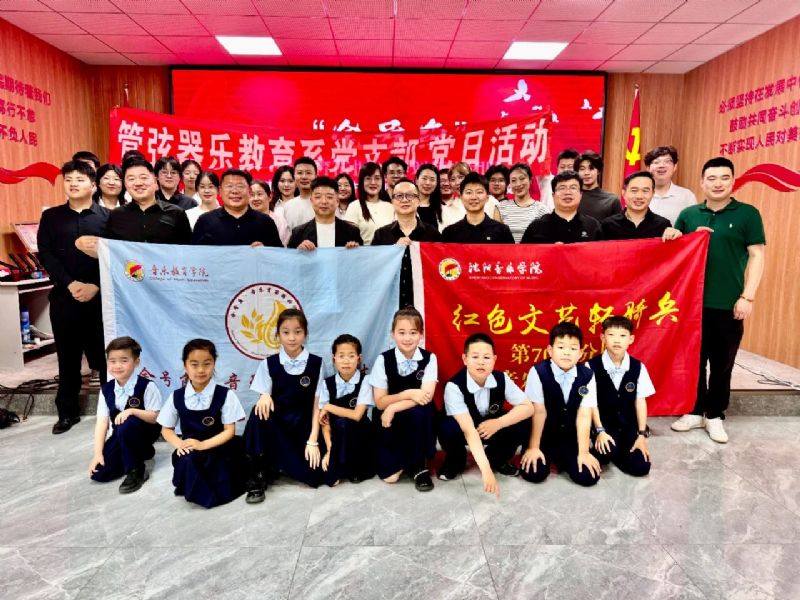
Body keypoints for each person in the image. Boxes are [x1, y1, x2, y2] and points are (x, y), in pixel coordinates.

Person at [671, 156, 766, 443]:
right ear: (702, 182)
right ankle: (694, 410)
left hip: (728, 303)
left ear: (733, 181)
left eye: (724, 178)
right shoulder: (689, 214)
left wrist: (748, 296)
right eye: (711, 178)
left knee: (723, 362)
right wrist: (674, 235)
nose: (717, 183)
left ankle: (715, 415)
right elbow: (675, 255)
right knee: (694, 361)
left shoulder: (748, 214)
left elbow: (757, 255)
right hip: (691, 304)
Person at [37, 160, 108, 435]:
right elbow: (46, 254)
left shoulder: (107, 217)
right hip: (65, 297)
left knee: (105, 359)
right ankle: (67, 413)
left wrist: (96, 286)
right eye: (68, 179)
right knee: (67, 358)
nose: (73, 184)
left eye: (80, 179)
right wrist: (70, 283)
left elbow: (115, 257)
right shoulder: (51, 217)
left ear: (93, 185)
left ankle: (113, 410)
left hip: (100, 299)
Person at [244, 309, 337, 503]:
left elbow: (318, 406)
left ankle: (280, 464)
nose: (292, 338)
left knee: (318, 476)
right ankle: (258, 473)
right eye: (285, 332)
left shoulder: (316, 363)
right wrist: (264, 395)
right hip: (279, 426)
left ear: (305, 334)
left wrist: (313, 441)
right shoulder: (268, 364)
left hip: (304, 426)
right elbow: (264, 397)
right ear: (278, 334)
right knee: (258, 412)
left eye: (298, 332)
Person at [438, 333, 534, 496]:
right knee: (447, 428)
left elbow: (528, 407)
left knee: (523, 421)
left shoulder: (501, 378)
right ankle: (456, 460)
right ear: (465, 359)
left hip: (490, 426)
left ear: (494, 359)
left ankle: (497, 459)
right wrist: (486, 471)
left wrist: (499, 423)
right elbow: (469, 430)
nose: (481, 362)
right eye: (475, 357)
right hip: (464, 428)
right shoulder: (454, 386)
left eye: (486, 357)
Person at [158, 339, 247, 508]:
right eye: (194, 364)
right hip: (190, 448)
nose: (200, 370)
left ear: (214, 364)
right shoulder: (176, 396)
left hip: (219, 447)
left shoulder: (225, 394)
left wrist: (203, 445)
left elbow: (229, 430)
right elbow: (166, 429)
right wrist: (180, 444)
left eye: (207, 364)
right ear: (185, 366)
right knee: (187, 460)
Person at [520, 322, 601, 487]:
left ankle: (567, 457)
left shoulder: (587, 375)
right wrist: (533, 447)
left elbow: (584, 415)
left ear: (580, 353)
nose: (566, 352)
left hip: (571, 436)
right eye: (561, 347)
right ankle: (544, 453)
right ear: (550, 350)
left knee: (588, 477)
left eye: (573, 348)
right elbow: (539, 412)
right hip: (544, 435)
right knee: (534, 473)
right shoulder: (538, 372)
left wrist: (584, 452)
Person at [370, 307, 438, 492]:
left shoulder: (429, 358)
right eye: (401, 332)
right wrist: (407, 393)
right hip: (391, 421)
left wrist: (393, 408)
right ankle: (403, 460)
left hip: (417, 415)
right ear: (392, 334)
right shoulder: (383, 360)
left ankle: (419, 465)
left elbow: (425, 397)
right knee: (390, 478)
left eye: (413, 333)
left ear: (421, 334)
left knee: (419, 413)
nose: (407, 338)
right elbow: (380, 402)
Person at [88, 336, 163, 493]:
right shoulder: (106, 389)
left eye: (124, 360)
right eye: (112, 361)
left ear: (136, 362)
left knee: (127, 422)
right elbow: (102, 422)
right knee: (100, 473)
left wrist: (132, 411)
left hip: (144, 432)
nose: (117, 366)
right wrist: (97, 454)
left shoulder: (147, 386)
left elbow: (155, 417)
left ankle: (137, 469)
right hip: (120, 434)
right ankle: (141, 452)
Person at [588, 317, 653, 477]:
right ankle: (609, 450)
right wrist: (599, 431)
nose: (617, 340)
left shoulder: (638, 367)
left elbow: (640, 402)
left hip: (628, 427)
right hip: (603, 427)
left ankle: (619, 451)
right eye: (611, 335)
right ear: (603, 337)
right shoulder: (591, 366)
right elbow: (590, 403)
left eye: (623, 336)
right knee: (606, 452)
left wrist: (641, 435)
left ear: (631, 339)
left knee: (641, 468)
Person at [372, 178, 441, 308]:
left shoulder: (432, 234)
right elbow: (374, 270)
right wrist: (393, 250)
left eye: (410, 195)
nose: (404, 200)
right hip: (390, 303)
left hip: (424, 303)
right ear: (392, 201)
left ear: (418, 200)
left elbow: (438, 270)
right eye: (399, 196)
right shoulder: (381, 235)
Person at [319, 334, 375, 483]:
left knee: (344, 423)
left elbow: (357, 415)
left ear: (359, 358)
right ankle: (337, 462)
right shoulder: (327, 384)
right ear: (333, 359)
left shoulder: (366, 380)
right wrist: (330, 450)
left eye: (351, 356)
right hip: (335, 439)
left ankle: (353, 468)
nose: (346, 361)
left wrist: (328, 406)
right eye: (341, 356)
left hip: (359, 437)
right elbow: (324, 422)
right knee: (327, 479)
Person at [103, 157, 192, 245]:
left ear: (155, 181)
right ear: (125, 185)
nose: (138, 183)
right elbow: (108, 249)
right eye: (131, 179)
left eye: (143, 178)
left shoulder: (176, 214)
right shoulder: (116, 215)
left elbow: (187, 250)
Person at [192, 169, 282, 247]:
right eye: (229, 186)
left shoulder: (266, 222)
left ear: (249, 191)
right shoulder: (205, 221)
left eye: (240, 186)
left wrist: (265, 251)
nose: (234, 191)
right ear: (220, 191)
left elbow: (278, 256)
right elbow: (195, 255)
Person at [521, 170, 602, 244]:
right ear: (553, 195)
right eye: (562, 188)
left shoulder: (593, 226)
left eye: (573, 188)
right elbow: (523, 254)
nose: (567, 192)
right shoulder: (537, 227)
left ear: (581, 194)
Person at [289, 176, 363, 249]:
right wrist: (299, 252)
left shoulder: (352, 232)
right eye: (318, 197)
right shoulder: (298, 233)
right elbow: (289, 255)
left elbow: (361, 255)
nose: (324, 201)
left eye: (329, 197)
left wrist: (354, 252)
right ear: (311, 201)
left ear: (337, 201)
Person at [442, 172, 514, 244]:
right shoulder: (450, 233)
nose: (474, 197)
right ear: (461, 197)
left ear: (487, 197)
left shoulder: (502, 231)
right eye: (469, 192)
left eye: (479, 192)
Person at [601, 171, 673, 240]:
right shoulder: (607, 225)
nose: (639, 196)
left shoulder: (663, 225)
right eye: (634, 190)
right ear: (624, 193)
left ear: (653, 194)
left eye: (645, 191)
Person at [343, 162, 395, 245]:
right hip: (362, 252)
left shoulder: (391, 207)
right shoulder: (354, 206)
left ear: (382, 181)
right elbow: (348, 237)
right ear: (362, 181)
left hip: (388, 253)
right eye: (368, 178)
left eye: (377, 178)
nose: (373, 182)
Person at [645, 145, 698, 225]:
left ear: (675, 167)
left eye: (667, 161)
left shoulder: (687, 196)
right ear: (648, 168)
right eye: (656, 162)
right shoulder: (640, 195)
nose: (661, 165)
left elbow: (693, 226)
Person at [497, 162, 549, 243]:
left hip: (532, 251)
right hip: (506, 251)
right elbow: (496, 238)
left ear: (530, 180)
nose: (518, 184)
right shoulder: (501, 207)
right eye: (513, 180)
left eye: (522, 179)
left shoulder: (542, 209)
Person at [575, 151, 622, 222]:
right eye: (582, 169)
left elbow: (618, 227)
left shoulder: (611, 200)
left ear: (599, 171)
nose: (586, 173)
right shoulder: (571, 197)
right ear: (577, 172)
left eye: (591, 168)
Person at [251, 179, 290, 246]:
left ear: (270, 197)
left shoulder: (279, 222)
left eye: (259, 194)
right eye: (252, 195)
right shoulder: (242, 221)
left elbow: (284, 249)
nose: (256, 198)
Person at [281, 157, 317, 229]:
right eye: (300, 173)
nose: (304, 177)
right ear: (294, 176)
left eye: (308, 173)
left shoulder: (323, 203)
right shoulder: (288, 206)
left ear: (316, 176)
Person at [414, 163, 443, 229]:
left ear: (437, 183)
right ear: (416, 180)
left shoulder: (443, 208)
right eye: (424, 178)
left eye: (432, 179)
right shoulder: (407, 204)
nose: (428, 183)